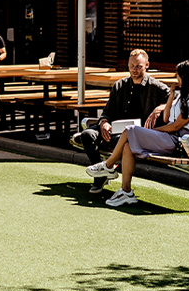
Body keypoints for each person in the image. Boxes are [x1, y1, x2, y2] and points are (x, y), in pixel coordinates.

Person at [85, 60, 189, 207]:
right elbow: (166, 118)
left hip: (179, 143)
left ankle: (108, 165)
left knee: (130, 130)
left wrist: (153, 131)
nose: (176, 77)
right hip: (169, 138)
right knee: (127, 146)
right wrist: (171, 97)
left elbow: (175, 126)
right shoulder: (182, 98)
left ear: (186, 77)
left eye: (178, 74)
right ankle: (126, 192)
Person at [72, 49, 170, 194]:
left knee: (121, 141)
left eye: (138, 66)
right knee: (87, 134)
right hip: (115, 127)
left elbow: (175, 99)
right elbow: (108, 110)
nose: (134, 69)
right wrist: (104, 121)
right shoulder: (119, 85)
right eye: (131, 66)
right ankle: (102, 174)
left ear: (147, 65)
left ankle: (104, 173)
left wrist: (161, 107)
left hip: (135, 133)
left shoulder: (156, 86)